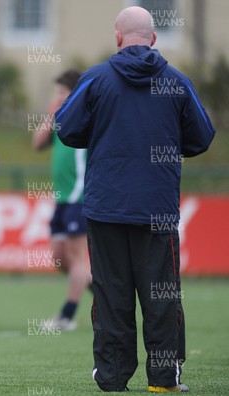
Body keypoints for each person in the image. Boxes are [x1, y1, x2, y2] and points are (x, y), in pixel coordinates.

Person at [56, 6, 215, 393]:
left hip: (106, 208)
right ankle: (163, 380)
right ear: (154, 38)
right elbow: (202, 136)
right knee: (162, 297)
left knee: (112, 296)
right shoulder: (176, 82)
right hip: (156, 210)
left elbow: (65, 127)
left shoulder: (95, 78)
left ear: (117, 36)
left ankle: (112, 378)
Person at [32, 69, 92, 331]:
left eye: (61, 92)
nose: (57, 97)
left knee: (79, 257)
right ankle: (105, 295)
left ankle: (67, 316)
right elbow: (37, 144)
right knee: (58, 258)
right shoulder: (59, 117)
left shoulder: (84, 117)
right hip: (62, 198)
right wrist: (51, 115)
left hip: (80, 197)